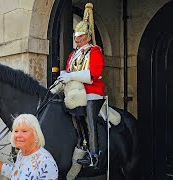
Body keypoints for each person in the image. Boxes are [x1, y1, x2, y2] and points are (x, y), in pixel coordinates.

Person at [56, 3, 105, 168]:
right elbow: (70, 72)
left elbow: (93, 74)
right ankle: (81, 144)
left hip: (92, 92)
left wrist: (69, 75)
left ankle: (94, 156)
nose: (78, 39)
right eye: (77, 37)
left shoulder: (95, 51)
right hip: (75, 93)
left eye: (81, 37)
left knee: (89, 118)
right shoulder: (73, 54)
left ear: (88, 37)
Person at [0, 114, 58, 179]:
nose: (18, 135)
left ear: (36, 134)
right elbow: (15, 173)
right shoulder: (21, 153)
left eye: (24, 131)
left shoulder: (46, 162)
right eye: (16, 131)